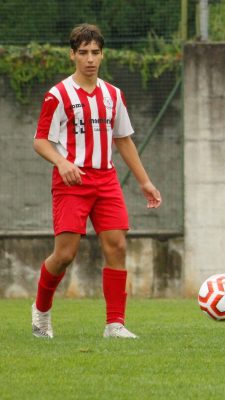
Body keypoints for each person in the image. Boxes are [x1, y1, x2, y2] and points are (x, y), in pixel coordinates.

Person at [31, 23, 162, 339]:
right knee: (65, 255)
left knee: (116, 245)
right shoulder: (58, 95)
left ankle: (114, 324)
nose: (90, 59)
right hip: (72, 182)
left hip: (106, 180)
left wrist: (145, 182)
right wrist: (61, 162)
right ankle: (41, 313)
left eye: (95, 52)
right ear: (72, 55)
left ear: (102, 55)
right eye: (83, 53)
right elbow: (40, 140)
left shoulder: (113, 95)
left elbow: (124, 140)